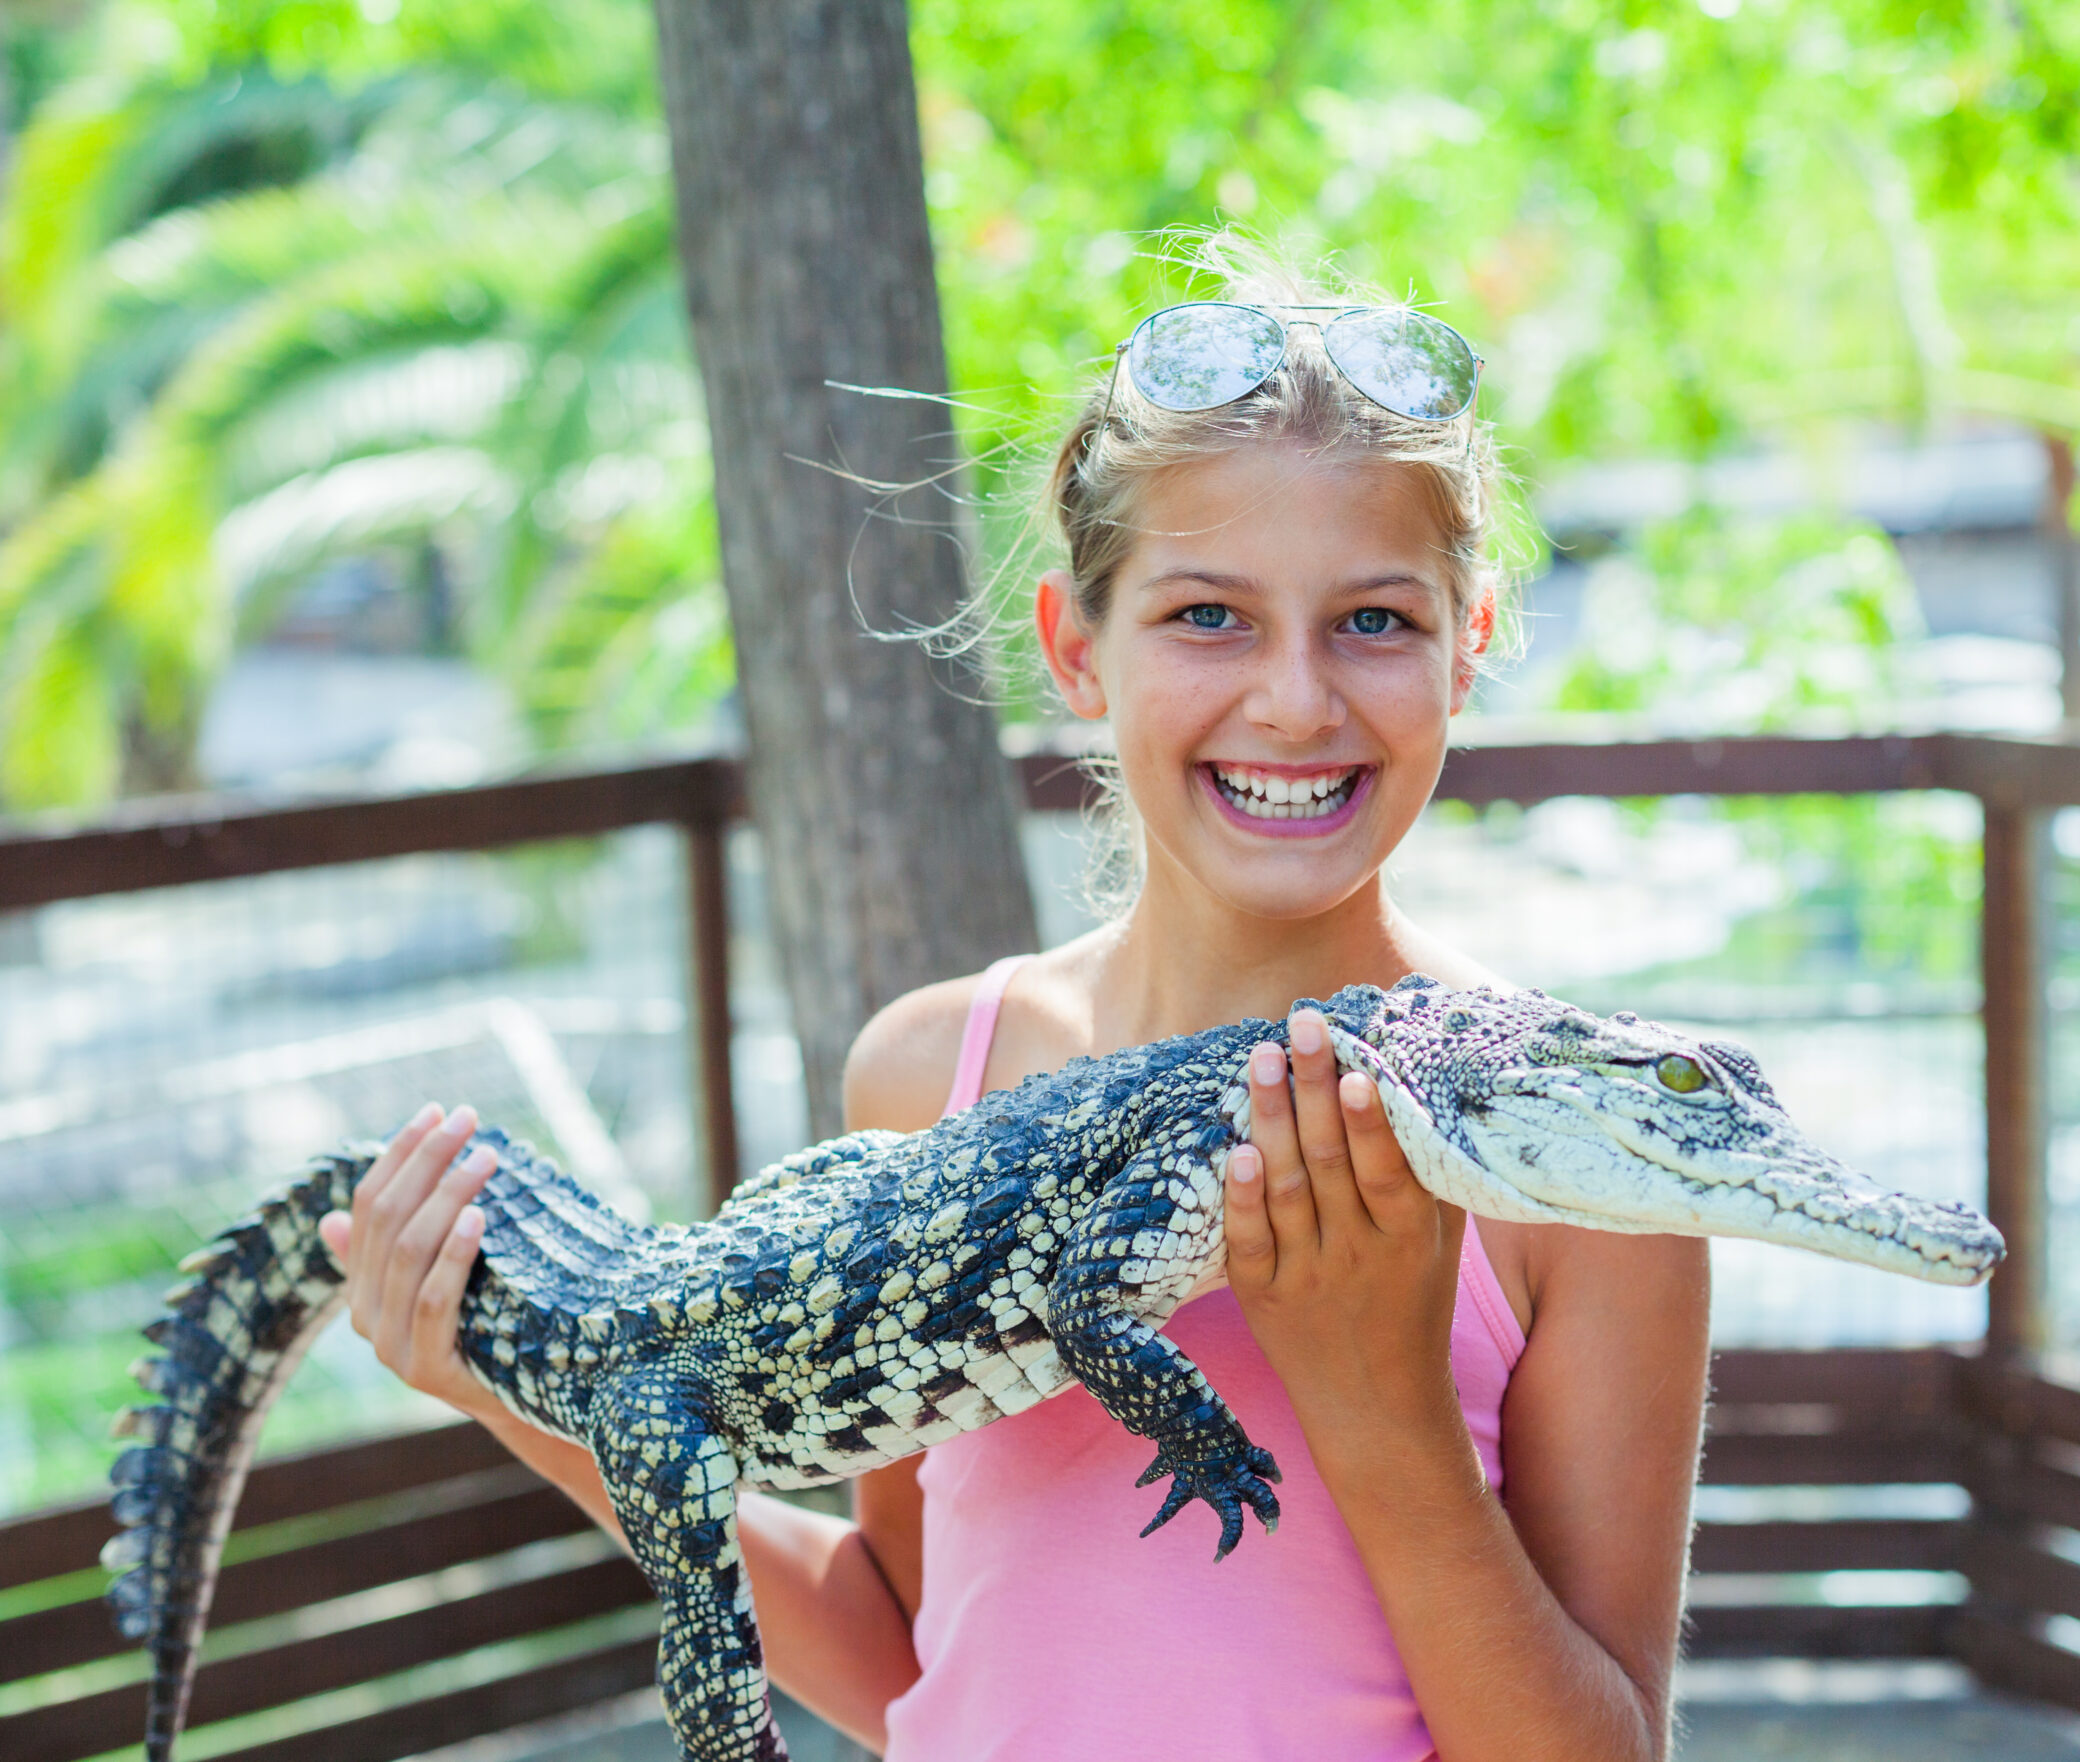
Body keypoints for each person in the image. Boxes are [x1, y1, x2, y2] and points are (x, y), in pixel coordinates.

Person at [318, 240, 1709, 1762]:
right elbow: (894, 1645)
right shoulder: (929, 1072)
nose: (1298, 698)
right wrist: (506, 1385)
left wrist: (1380, 1404)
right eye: (1207, 615)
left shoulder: (1599, 1169)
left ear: (1473, 642)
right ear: (1075, 649)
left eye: (1376, 620)